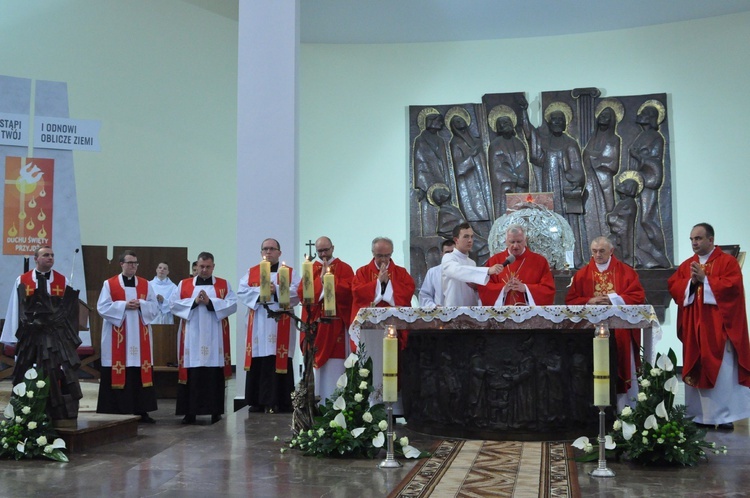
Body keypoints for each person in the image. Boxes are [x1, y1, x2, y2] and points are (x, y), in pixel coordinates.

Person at [667, 223, 750, 430]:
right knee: (696, 366)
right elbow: (675, 286)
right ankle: (698, 415)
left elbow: (733, 288)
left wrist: (707, 280)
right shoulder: (688, 264)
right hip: (695, 329)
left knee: (723, 372)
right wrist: (691, 284)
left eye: (699, 238)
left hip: (719, 329)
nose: (694, 243)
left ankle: (724, 416)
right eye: (692, 239)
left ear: (711, 240)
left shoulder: (727, 262)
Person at [1, 245, 82, 424]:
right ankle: (25, 408)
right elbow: (16, 308)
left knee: (53, 371)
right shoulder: (22, 280)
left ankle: (55, 409)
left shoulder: (63, 281)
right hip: (30, 338)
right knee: (27, 371)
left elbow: (70, 311)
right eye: (46, 255)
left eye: (52, 255)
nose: (50, 258)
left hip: (54, 339)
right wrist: (14, 337)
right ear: (36, 259)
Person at [565, 236, 646, 410]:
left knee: (622, 366)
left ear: (611, 251)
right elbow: (571, 300)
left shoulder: (626, 272)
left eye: (602, 251)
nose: (598, 255)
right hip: (590, 332)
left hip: (620, 330)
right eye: (594, 251)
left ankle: (625, 410)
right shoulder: (582, 275)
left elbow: (637, 296)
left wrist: (612, 299)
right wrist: (590, 301)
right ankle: (594, 411)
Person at [169, 252, 237, 424]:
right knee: (193, 373)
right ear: (196, 267)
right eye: (201, 267)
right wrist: (193, 302)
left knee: (213, 373)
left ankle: (215, 412)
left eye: (208, 267)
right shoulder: (184, 284)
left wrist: (210, 303)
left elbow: (232, 304)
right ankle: (189, 412)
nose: (204, 270)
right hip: (192, 336)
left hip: (215, 336)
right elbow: (173, 304)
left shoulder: (223, 284)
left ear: (213, 267)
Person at [237, 238, 301, 413]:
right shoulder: (251, 273)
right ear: (261, 253)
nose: (268, 252)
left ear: (279, 253)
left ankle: (281, 401)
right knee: (260, 358)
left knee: (278, 358)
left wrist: (277, 291)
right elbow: (242, 291)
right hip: (258, 322)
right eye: (265, 249)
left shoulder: (288, 272)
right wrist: (262, 291)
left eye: (272, 249)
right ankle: (257, 401)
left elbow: (298, 292)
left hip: (280, 322)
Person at [96, 250, 160, 423]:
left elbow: (154, 307)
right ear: (121, 264)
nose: (133, 266)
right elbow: (102, 307)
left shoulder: (146, 285)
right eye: (129, 262)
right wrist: (124, 305)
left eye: (135, 263)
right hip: (117, 337)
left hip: (141, 337)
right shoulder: (109, 284)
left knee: (139, 371)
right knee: (120, 370)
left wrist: (142, 305)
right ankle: (116, 410)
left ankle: (142, 410)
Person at [296, 236, 354, 404]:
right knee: (317, 371)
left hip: (336, 325)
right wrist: (320, 282)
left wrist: (330, 282)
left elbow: (350, 290)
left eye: (326, 250)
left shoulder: (344, 268)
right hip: (316, 327)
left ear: (333, 248)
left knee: (336, 370)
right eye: (320, 251)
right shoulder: (312, 268)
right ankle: (318, 406)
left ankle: (338, 406)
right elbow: (303, 293)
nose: (323, 255)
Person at [351, 237, 415, 348]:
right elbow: (357, 292)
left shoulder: (401, 272)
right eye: (379, 256)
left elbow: (408, 291)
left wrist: (389, 283)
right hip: (369, 327)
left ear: (392, 253)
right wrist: (378, 282)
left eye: (387, 255)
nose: (384, 260)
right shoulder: (362, 272)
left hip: (394, 325)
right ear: (373, 253)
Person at [478, 225, 555, 306]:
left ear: (525, 241)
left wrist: (526, 288)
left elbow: (548, 289)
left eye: (519, 241)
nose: (515, 246)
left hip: (529, 314)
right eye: (512, 242)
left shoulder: (540, 261)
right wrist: (502, 289)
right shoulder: (495, 261)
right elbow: (484, 287)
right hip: (502, 314)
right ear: (506, 241)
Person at [441, 222, 504, 307]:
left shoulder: (471, 262)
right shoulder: (448, 258)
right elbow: (458, 271)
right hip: (453, 310)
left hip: (471, 309)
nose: (470, 240)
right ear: (456, 240)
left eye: (471, 236)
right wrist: (488, 270)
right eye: (466, 237)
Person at [418, 239, 454, 307]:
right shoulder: (433, 272)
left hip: (460, 313)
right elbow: (425, 295)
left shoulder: (463, 270)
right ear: (442, 254)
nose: (450, 255)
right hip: (439, 314)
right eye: (447, 252)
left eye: (452, 252)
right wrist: (433, 306)